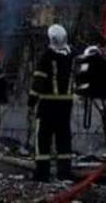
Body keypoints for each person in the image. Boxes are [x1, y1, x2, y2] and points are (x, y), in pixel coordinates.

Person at [29, 24, 77, 182]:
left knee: (43, 138)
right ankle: (64, 172)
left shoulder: (47, 56)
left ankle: (42, 173)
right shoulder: (72, 56)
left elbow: (38, 81)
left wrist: (31, 101)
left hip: (47, 104)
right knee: (63, 138)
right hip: (66, 104)